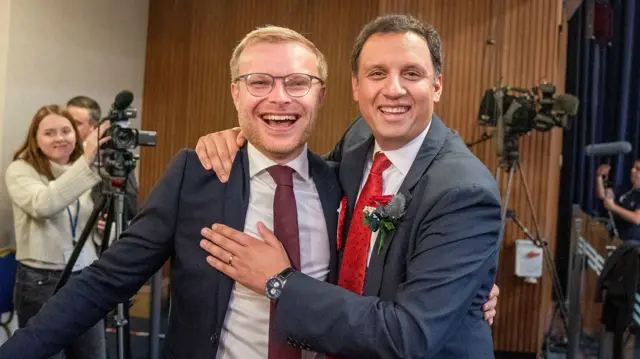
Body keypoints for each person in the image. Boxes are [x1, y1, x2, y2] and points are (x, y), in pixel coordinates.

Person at [197, 14, 502, 358]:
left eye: (412, 73)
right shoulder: (360, 137)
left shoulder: (464, 193)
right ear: (356, 87)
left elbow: (409, 337)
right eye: (377, 74)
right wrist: (240, 142)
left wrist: (281, 282)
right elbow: (314, 184)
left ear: (437, 85)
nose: (393, 89)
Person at [4, 105, 110, 359]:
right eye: (50, 133)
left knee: (92, 353)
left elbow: (88, 221)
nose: (60, 138)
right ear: (35, 139)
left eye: (66, 131)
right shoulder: (20, 170)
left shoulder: (88, 169)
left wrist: (100, 228)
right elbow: (44, 204)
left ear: (76, 135)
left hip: (85, 276)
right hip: (40, 281)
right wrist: (87, 160)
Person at [66, 96, 139, 227]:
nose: (69, 127)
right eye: (67, 121)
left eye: (76, 123)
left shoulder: (112, 155)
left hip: (95, 235)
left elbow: (130, 205)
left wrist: (109, 219)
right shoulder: (57, 152)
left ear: (93, 127)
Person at [596, 160, 640, 244]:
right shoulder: (626, 188)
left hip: (632, 244)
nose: (632, 170)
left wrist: (613, 207)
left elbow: (637, 219)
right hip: (618, 239)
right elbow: (603, 196)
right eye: (633, 167)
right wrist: (599, 177)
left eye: (638, 169)